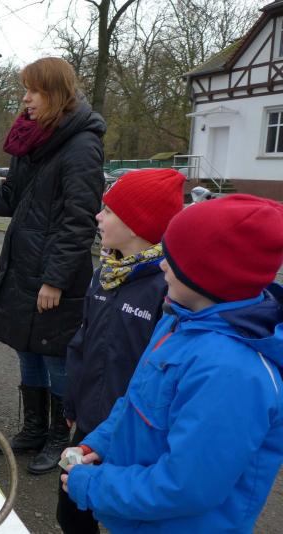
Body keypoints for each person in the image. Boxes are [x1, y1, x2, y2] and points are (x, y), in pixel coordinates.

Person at [61, 194, 283, 533]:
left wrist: (93, 486)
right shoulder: (179, 319)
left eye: (173, 259)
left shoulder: (232, 374)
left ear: (207, 275)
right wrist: (100, 442)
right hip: (143, 518)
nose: (162, 264)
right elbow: (136, 401)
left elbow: (185, 486)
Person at [0, 57, 105, 474]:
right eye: (25, 90)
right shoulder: (31, 141)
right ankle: (33, 429)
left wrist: (55, 280)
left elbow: (80, 221)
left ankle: (60, 437)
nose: (26, 98)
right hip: (22, 269)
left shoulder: (82, 145)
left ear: (55, 94)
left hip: (55, 277)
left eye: (34, 90)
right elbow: (9, 200)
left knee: (55, 357)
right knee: (27, 350)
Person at [57, 168, 185, 533]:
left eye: (109, 210)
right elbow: (82, 342)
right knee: (71, 512)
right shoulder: (104, 274)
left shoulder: (166, 289)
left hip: (132, 429)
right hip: (89, 423)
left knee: (123, 515)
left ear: (136, 224)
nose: (98, 216)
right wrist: (72, 404)